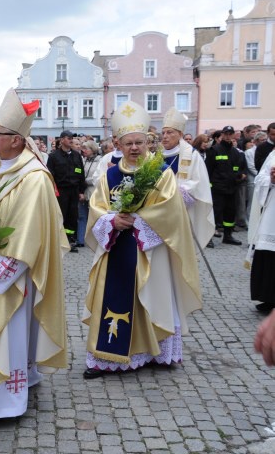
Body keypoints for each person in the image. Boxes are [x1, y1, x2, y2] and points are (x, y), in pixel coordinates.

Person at [0, 89, 68, 428]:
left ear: (17, 141)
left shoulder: (33, 180)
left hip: (12, 277)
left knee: (9, 335)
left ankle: (5, 404)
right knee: (7, 336)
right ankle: (17, 384)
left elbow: (26, 238)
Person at [82, 101, 202, 380]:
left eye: (140, 142)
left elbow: (171, 209)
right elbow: (97, 206)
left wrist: (139, 220)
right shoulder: (109, 175)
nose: (135, 148)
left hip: (151, 250)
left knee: (152, 297)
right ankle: (108, 358)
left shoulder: (161, 173)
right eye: (128, 143)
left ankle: (155, 352)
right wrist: (111, 220)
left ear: (149, 141)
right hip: (115, 248)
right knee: (114, 296)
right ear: (118, 144)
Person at [161, 107, 215, 249]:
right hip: (159, 211)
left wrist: (176, 192)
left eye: (169, 132)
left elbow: (199, 182)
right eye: (163, 132)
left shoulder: (192, 155)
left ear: (180, 134)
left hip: (182, 209)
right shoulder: (156, 156)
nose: (165, 136)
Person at [205, 125, 247, 245]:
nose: (228, 136)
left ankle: (228, 236)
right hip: (217, 188)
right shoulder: (214, 150)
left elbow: (239, 168)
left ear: (233, 135)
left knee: (230, 213)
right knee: (214, 214)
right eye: (226, 134)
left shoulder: (236, 152)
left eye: (230, 134)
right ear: (222, 135)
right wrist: (209, 186)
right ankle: (208, 238)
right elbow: (207, 170)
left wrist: (240, 175)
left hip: (232, 188)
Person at [47, 130, 86, 252]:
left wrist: (81, 191)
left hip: (74, 191)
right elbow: (50, 175)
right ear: (62, 139)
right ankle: (59, 240)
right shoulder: (54, 156)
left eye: (72, 138)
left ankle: (70, 240)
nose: (71, 140)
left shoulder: (76, 155)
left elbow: (81, 174)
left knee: (72, 216)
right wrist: (53, 190)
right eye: (69, 138)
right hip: (61, 191)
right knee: (61, 215)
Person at [247, 149, 275, 313]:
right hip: (272, 213)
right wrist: (271, 180)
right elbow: (260, 178)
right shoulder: (273, 154)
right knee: (268, 253)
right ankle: (269, 298)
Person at [77, 140, 100, 248]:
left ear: (93, 149)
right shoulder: (83, 160)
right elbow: (79, 172)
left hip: (94, 192)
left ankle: (96, 240)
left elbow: (99, 176)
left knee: (95, 216)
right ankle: (80, 240)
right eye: (83, 148)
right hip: (83, 192)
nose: (83, 150)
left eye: (86, 148)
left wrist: (85, 180)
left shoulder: (100, 160)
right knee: (82, 216)